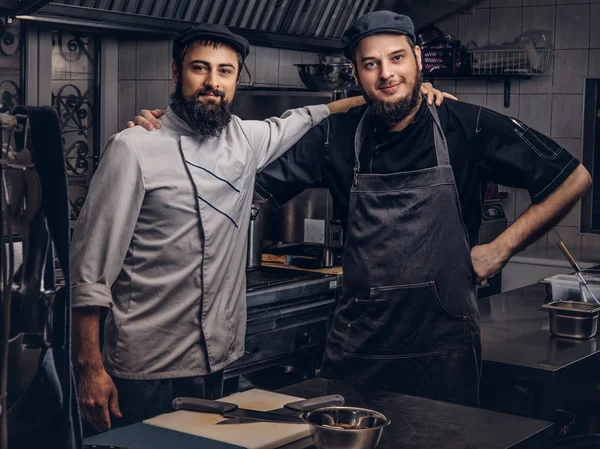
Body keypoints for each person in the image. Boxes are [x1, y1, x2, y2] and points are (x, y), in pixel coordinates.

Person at [129, 11, 589, 408]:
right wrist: (171, 132)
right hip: (357, 352)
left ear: (418, 61)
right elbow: (235, 182)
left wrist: (501, 249)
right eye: (371, 64)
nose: (386, 73)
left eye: (396, 59)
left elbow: (574, 177)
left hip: (442, 351)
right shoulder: (336, 135)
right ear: (356, 72)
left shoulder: (464, 125)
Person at [70, 23, 374, 434]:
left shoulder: (245, 140)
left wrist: (414, 96)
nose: (213, 83)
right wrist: (89, 368)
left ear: (237, 79)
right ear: (176, 74)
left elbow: (312, 114)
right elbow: (90, 271)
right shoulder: (133, 148)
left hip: (212, 363)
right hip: (142, 370)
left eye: (225, 71)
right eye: (201, 68)